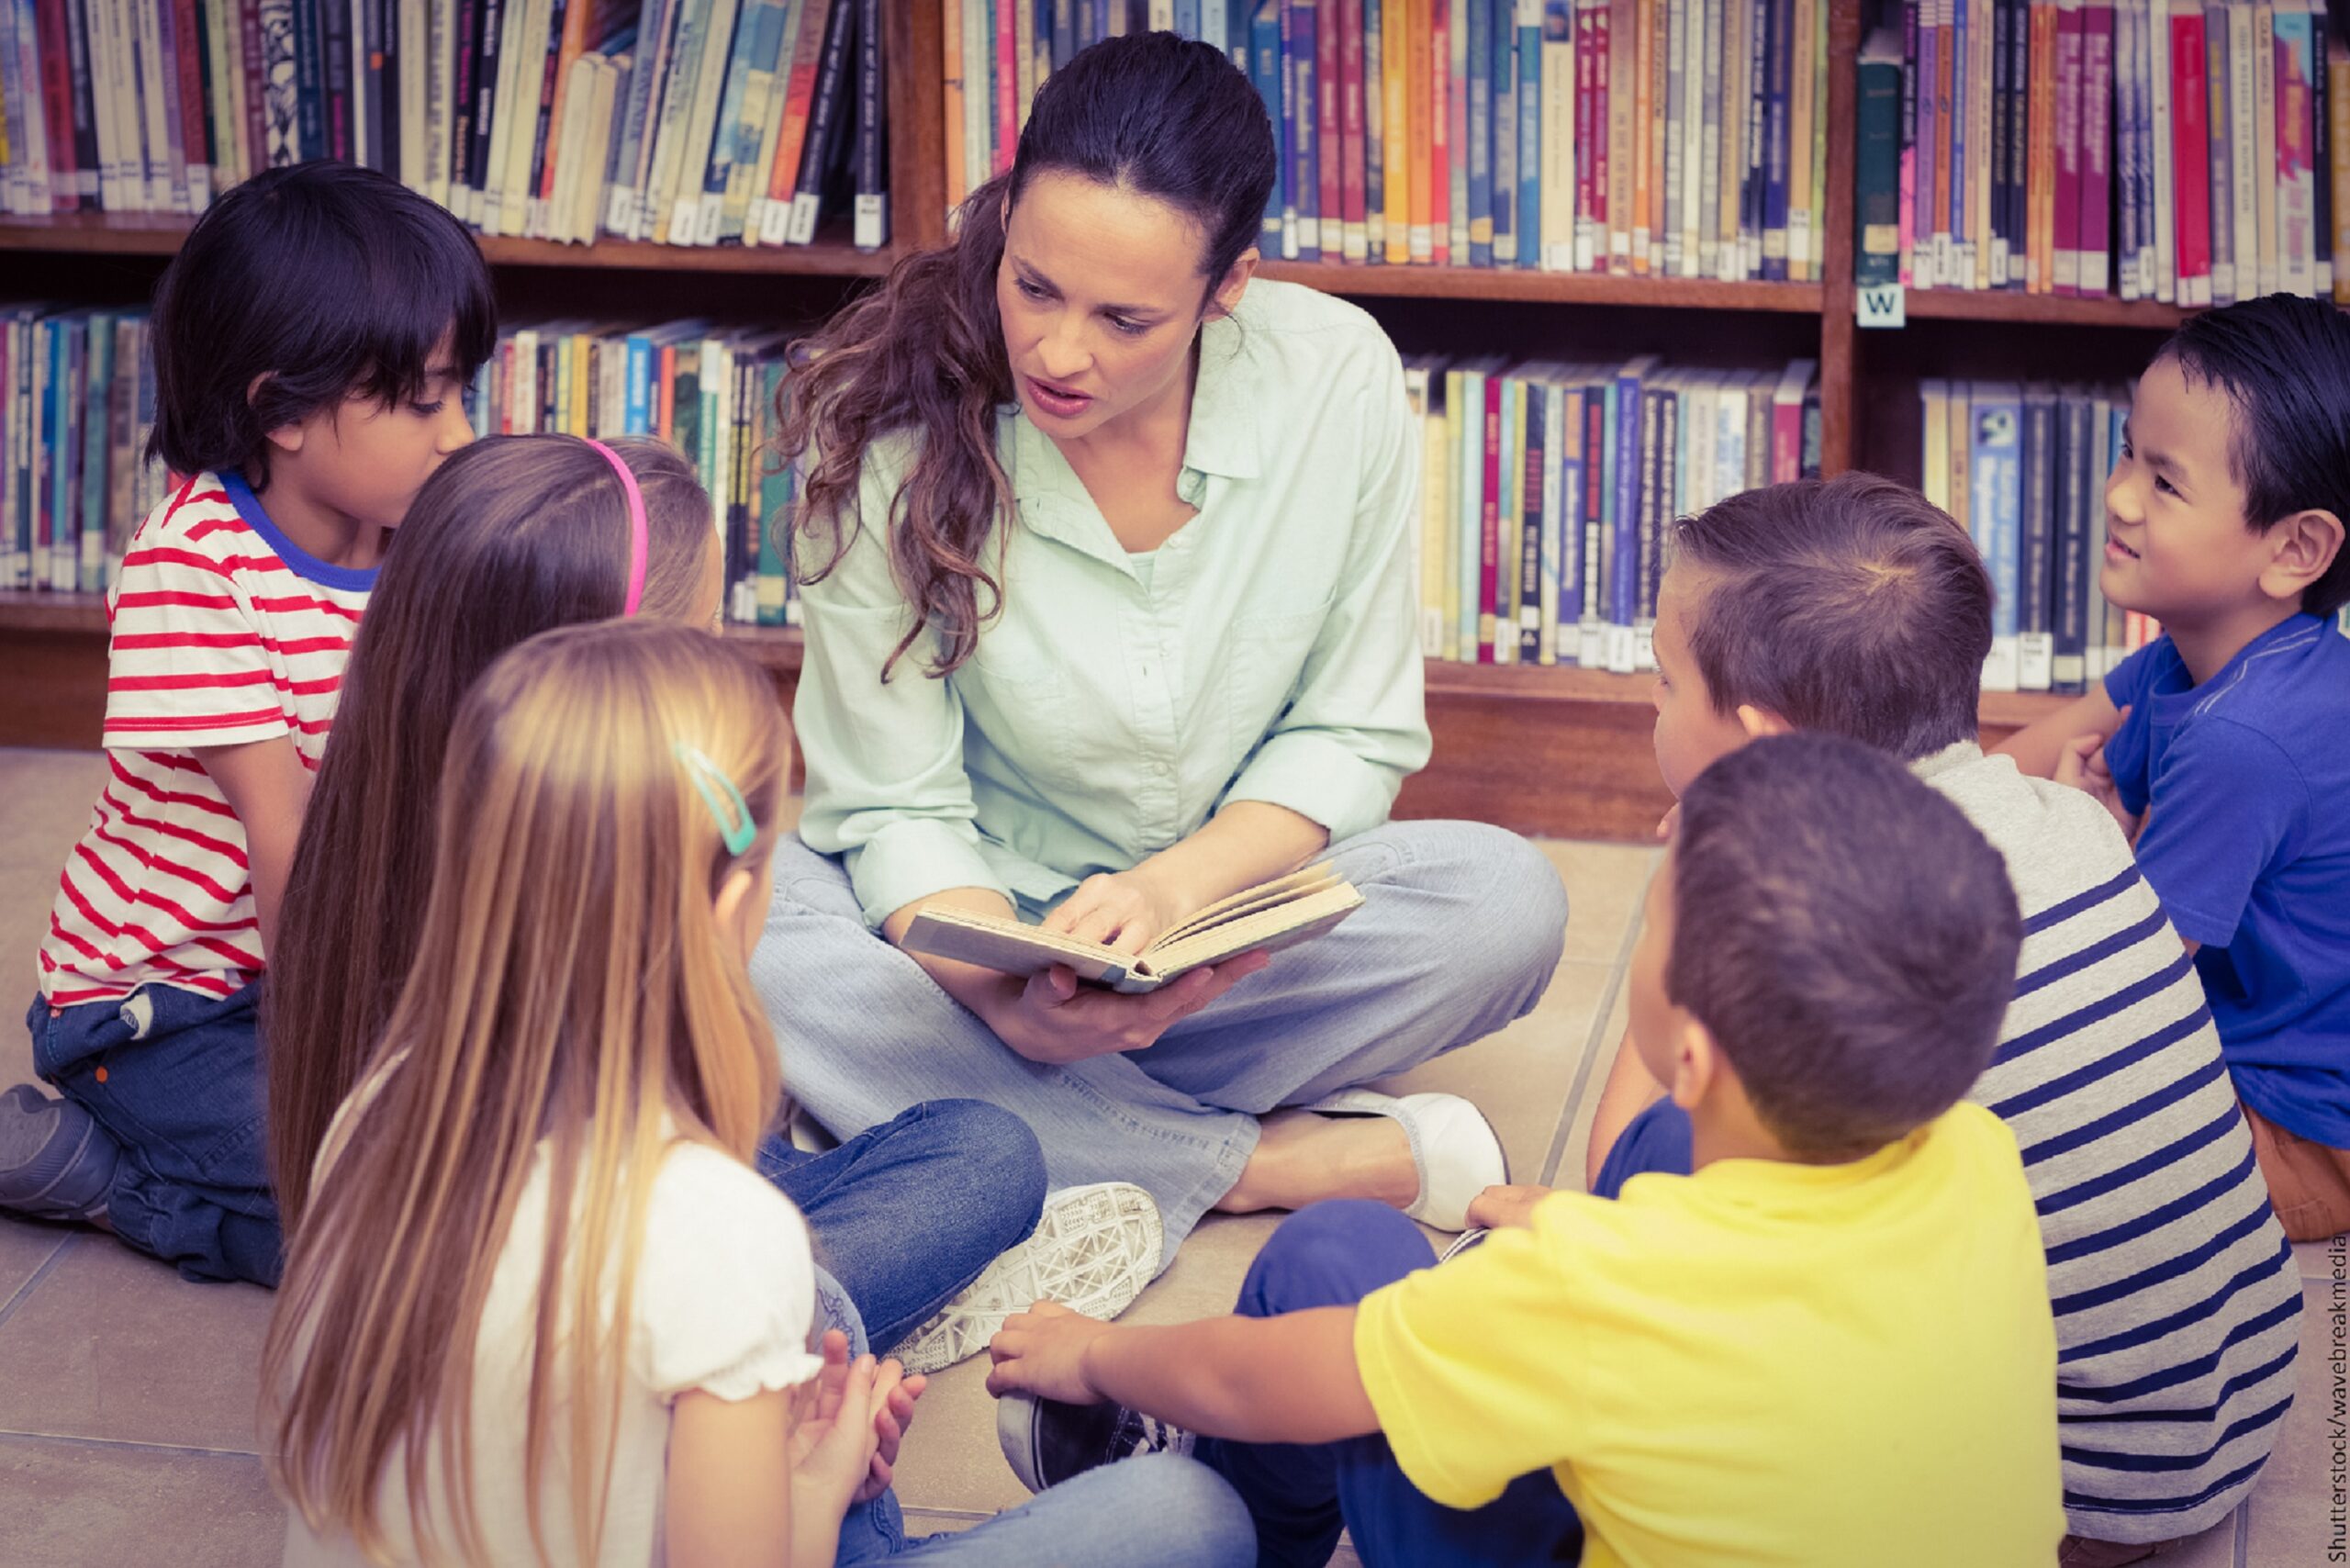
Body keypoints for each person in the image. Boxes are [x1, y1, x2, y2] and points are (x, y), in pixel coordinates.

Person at [755, 30, 1565, 1261]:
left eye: (1125, 317)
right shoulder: (889, 432)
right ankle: (1258, 1158)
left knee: (1508, 901)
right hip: (977, 934)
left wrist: (1167, 897)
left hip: (1228, 923)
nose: (1059, 352)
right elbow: (889, 803)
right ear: (1008, 222)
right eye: (1033, 287)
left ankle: (1009, 1124)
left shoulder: (1335, 376)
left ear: (1227, 287)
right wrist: (1006, 1000)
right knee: (751, 939)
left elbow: (1350, 732)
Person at [265, 622, 1253, 1568]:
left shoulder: (377, 1110)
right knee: (1188, 1515)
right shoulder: (718, 1230)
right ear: (734, 907)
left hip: (688, 1444)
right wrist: (819, 1481)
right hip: (755, 1457)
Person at [987, 733, 2064, 1568]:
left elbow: (1263, 1374)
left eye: (1652, 923)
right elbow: (1775, 1291)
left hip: (1567, 1335)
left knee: (1331, 1261)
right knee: (1664, 1149)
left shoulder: (1600, 1291)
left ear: (1687, 1045)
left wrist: (1093, 1355)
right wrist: (1575, 1226)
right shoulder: (1978, 1155)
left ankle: (1230, 1519)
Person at [266, 434, 1158, 1373]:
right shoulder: (566, 913)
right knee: (973, 1168)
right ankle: (832, 1326)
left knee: (972, 1144)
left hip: (619, 1222)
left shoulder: (374, 810)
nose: (717, 668)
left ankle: (833, 1305)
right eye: (698, 643)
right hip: (609, 1297)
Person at [1543, 476, 2297, 1564]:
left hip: (2055, 1491)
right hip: (2236, 1400)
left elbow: (1622, 1171)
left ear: (1763, 740)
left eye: (1664, 684)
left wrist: (1692, 885)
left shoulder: (1809, 926)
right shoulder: (2070, 825)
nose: (1648, 708)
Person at [0, 163, 491, 1282]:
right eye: (421, 400)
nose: (457, 434)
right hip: (161, 1015)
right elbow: (291, 845)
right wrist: (375, 1071)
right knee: (394, 1225)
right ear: (280, 411)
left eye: (460, 391)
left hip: (331, 961)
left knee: (473, 1168)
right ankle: (112, 1177)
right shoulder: (194, 569)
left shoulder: (414, 528)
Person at [1995, 295, 2350, 1247]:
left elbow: (2121, 986)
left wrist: (2080, 851)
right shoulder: (2187, 659)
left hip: (2296, 1133)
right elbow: (2010, 762)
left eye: (2165, 483)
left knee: (1983, 1111)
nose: (2116, 495)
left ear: (2294, 549)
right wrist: (1854, 816)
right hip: (2229, 1058)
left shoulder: (2246, 741)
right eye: (2126, 452)